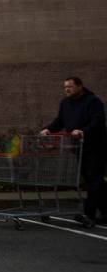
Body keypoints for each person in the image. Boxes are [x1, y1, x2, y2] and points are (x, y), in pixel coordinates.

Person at [39, 77, 106, 225]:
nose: (67, 89)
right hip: (79, 148)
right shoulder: (65, 103)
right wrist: (48, 129)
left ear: (80, 86)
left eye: (70, 87)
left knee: (93, 181)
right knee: (94, 181)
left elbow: (98, 120)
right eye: (65, 87)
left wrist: (83, 131)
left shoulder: (93, 101)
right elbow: (60, 121)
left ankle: (89, 215)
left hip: (95, 147)